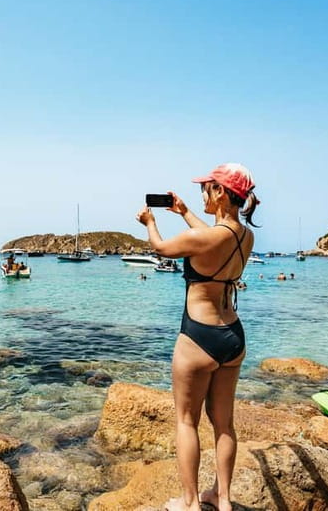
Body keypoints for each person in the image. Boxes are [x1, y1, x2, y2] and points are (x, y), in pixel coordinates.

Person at [137, 162, 258, 511]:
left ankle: (189, 503)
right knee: (224, 425)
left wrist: (151, 223)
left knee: (186, 421)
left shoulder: (206, 237)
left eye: (206, 188)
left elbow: (161, 249)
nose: (201, 193)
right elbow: (213, 237)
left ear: (220, 192)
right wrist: (186, 212)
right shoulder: (245, 236)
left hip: (198, 335)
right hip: (233, 336)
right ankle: (222, 500)